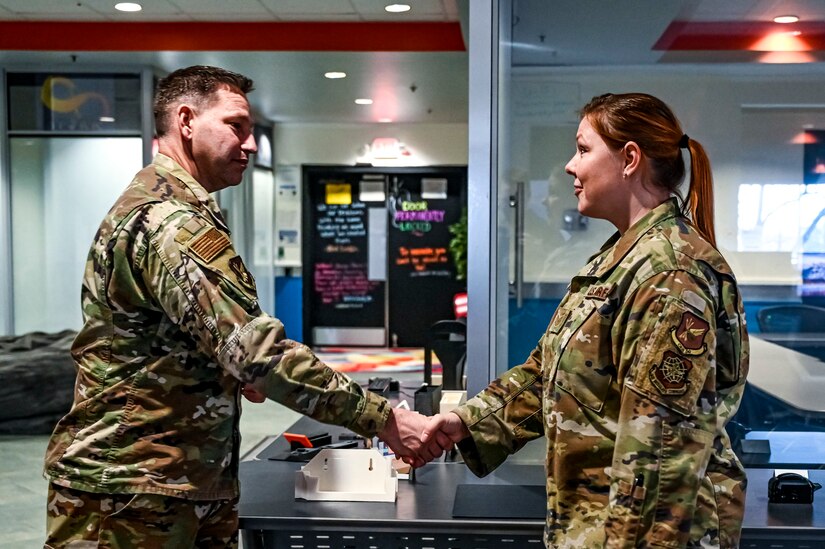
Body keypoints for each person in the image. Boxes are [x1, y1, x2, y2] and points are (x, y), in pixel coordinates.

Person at [43, 65, 428, 548]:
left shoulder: (182, 210)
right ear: (186, 121)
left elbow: (197, 341)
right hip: (131, 489)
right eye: (235, 126)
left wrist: (226, 369)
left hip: (178, 480)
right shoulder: (171, 222)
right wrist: (384, 419)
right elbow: (258, 352)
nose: (249, 144)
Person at [419, 93, 749, 548]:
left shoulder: (668, 274)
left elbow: (658, 455)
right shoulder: (622, 258)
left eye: (583, 149)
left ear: (629, 158)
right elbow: (549, 377)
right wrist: (465, 422)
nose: (570, 166)